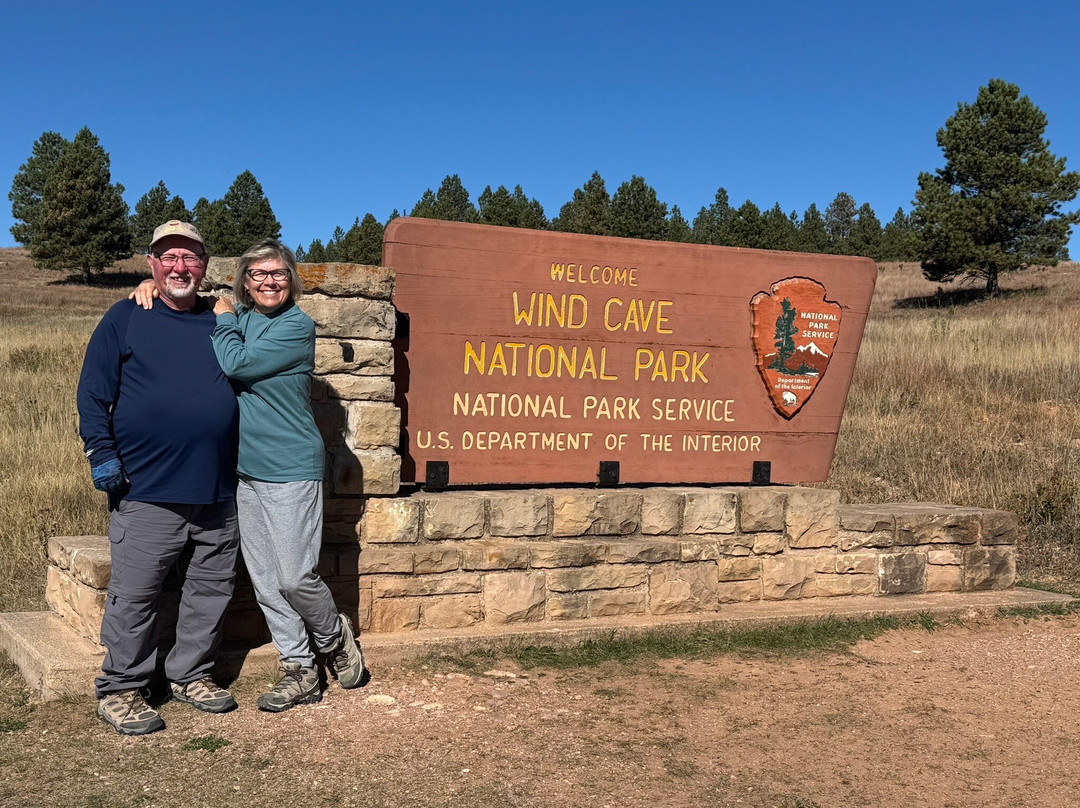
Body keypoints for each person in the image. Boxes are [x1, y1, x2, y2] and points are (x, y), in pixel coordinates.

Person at [133, 238, 367, 713]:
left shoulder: (296, 327)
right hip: (245, 470)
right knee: (263, 579)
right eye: (258, 275)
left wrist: (221, 317)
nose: (268, 282)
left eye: (277, 273)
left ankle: (332, 635)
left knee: (295, 577)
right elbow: (189, 300)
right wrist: (148, 286)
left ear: (291, 279)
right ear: (244, 282)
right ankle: (299, 668)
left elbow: (235, 362)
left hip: (290, 468)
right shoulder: (242, 319)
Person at [78, 220, 240, 735]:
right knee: (136, 594)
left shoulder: (221, 320)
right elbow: (93, 394)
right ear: (151, 264)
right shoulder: (126, 316)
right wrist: (103, 455)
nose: (179, 267)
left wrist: (229, 307)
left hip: (217, 488)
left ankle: (191, 674)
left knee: (210, 591)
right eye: (168, 257)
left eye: (190, 258)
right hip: (145, 489)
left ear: (205, 266)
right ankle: (121, 687)